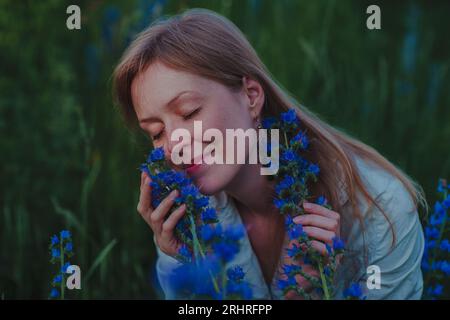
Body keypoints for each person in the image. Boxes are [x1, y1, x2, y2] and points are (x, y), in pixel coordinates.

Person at [113, 8, 426, 299]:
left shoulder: (382, 212)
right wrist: (179, 261)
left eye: (189, 111)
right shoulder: (191, 213)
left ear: (251, 96)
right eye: (156, 132)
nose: (173, 145)